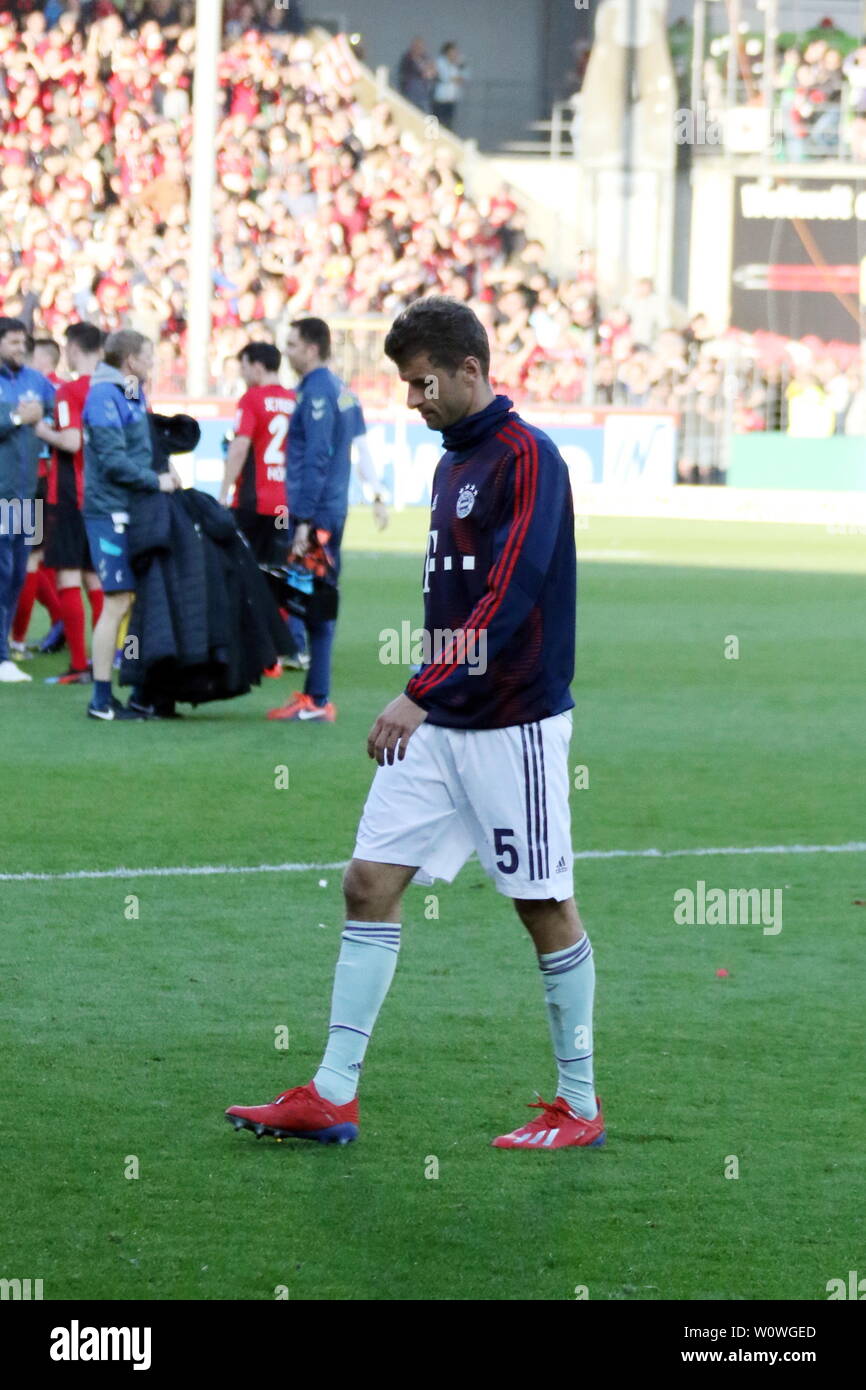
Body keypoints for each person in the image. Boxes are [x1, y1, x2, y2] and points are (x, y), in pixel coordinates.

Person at [226, 297, 605, 1152]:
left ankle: (579, 1105)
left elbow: (511, 594)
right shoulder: (451, 462)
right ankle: (331, 1094)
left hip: (511, 723)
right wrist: (433, 695)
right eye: (405, 383)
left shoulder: (529, 457)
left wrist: (421, 689)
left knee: (543, 906)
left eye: (422, 381)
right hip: (441, 724)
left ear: (471, 369)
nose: (412, 399)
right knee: (367, 882)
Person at [82, 330, 179, 721]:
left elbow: (146, 445)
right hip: (110, 511)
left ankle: (133, 685)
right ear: (130, 360)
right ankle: (100, 699)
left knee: (136, 600)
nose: (153, 363)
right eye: (149, 357)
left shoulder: (132, 390)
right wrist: (156, 481)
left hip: (135, 508)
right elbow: (112, 461)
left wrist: (167, 466)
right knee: (117, 600)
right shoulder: (104, 395)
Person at [266, 317, 354, 724]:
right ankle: (315, 694)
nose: (288, 350)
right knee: (310, 597)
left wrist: (303, 520)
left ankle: (318, 700)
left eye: (293, 343)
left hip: (317, 515)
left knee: (315, 599)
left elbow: (318, 456)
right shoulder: (331, 388)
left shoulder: (318, 390)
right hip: (325, 509)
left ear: (313, 348)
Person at [36, 322, 106, 685]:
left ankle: (78, 665)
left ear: (74, 348)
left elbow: (71, 442)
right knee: (97, 579)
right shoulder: (117, 388)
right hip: (105, 497)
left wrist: (38, 428)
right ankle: (106, 663)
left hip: (70, 494)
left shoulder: (70, 391)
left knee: (68, 575)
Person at [0, 316, 56, 684]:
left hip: (26, 495)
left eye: (24, 343)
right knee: (2, 572)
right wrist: (18, 416)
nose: (22, 348)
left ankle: (4, 650)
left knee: (18, 573)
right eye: (15, 342)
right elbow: (27, 417)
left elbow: (55, 415)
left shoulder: (38, 381)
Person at [432, 41, 469, 132]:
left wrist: (459, 66)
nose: (454, 54)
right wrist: (456, 78)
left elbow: (465, 77)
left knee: (449, 123)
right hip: (441, 98)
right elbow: (446, 76)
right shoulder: (441, 62)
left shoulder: (458, 63)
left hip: (452, 98)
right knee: (439, 122)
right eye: (452, 52)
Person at [397, 37, 436, 114]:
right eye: (417, 46)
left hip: (424, 92)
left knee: (426, 114)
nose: (419, 49)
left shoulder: (425, 58)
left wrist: (427, 72)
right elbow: (418, 72)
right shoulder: (407, 58)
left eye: (421, 46)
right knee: (410, 111)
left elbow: (431, 73)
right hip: (411, 91)